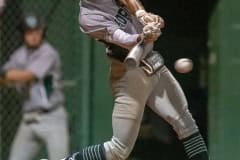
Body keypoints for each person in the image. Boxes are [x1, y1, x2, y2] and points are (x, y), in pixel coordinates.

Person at [61, 0, 209, 160]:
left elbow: (131, 3)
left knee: (186, 123)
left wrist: (147, 17)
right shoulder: (88, 18)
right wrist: (143, 36)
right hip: (128, 74)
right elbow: (125, 40)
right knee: (118, 150)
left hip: (152, 64)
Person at [0, 13, 69, 160]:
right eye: (29, 32)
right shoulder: (19, 55)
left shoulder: (49, 52)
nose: (34, 36)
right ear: (23, 34)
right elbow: (4, 76)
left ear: (42, 32)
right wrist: (8, 76)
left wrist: (10, 75)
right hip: (29, 119)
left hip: (52, 118)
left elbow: (28, 75)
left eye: (37, 31)